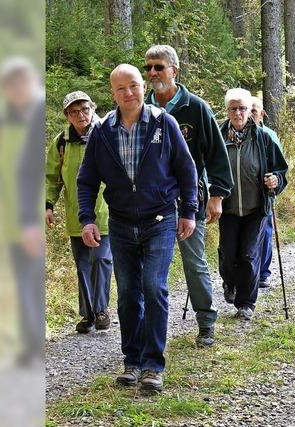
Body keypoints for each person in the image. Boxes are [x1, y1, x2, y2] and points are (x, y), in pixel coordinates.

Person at [77, 64, 198, 393]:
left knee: (153, 287)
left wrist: (189, 212)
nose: (128, 93)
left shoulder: (164, 123)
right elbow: (86, 180)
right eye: (121, 89)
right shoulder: (102, 132)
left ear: (143, 87)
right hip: (120, 223)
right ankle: (132, 361)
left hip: (160, 219)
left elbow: (187, 171)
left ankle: (153, 366)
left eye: (133, 86)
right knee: (129, 294)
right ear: (112, 93)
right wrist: (87, 219)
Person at [143, 45, 233, 347]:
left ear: (174, 70)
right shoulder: (142, 108)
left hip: (188, 201)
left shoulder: (196, 108)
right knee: (150, 267)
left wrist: (218, 194)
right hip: (151, 202)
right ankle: (150, 329)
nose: (153, 73)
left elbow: (217, 155)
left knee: (193, 263)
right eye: (149, 68)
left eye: (159, 67)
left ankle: (206, 321)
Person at [0, 57, 45, 366]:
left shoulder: (43, 115)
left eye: (23, 84)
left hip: (46, 213)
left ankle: (37, 342)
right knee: (23, 278)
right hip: (13, 215)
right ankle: (31, 343)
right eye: (11, 86)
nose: (18, 91)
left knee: (34, 276)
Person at [45, 91, 113, 333]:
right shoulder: (61, 142)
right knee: (83, 264)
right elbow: (52, 177)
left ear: (93, 108)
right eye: (74, 112)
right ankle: (88, 315)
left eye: (85, 109)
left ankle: (102, 309)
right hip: (76, 215)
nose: (81, 115)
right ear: (67, 115)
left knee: (102, 260)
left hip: (104, 212)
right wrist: (48, 204)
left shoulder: (108, 132)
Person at [218, 88, 288, 321]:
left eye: (242, 108)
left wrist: (274, 180)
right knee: (228, 254)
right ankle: (229, 282)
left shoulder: (263, 138)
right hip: (226, 208)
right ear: (227, 111)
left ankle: (246, 303)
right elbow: (206, 165)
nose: (237, 112)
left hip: (256, 208)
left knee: (249, 255)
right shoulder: (218, 135)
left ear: (250, 111)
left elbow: (281, 169)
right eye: (233, 108)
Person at [250, 96, 282, 289]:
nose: (251, 114)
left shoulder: (269, 135)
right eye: (249, 110)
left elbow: (280, 166)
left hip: (264, 193)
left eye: (255, 111)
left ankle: (262, 272)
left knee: (265, 232)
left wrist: (274, 181)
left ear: (261, 114)